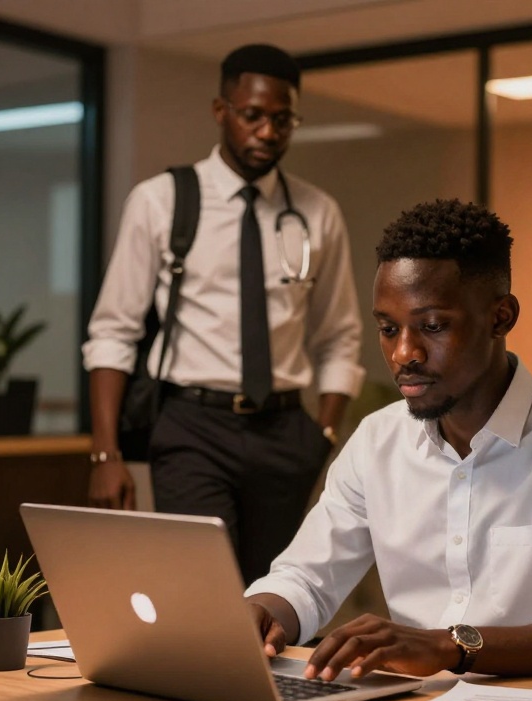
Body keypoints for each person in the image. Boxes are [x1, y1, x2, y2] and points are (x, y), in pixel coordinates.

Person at [243, 199, 532, 684]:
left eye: (433, 327)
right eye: (388, 329)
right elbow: (305, 578)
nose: (403, 353)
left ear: (500, 318)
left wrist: (449, 646)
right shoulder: (377, 440)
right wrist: (263, 611)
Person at [83, 44, 363, 585]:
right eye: (252, 115)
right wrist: (105, 455)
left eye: (282, 120)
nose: (267, 132)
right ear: (221, 111)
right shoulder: (161, 200)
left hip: (285, 432)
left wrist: (322, 435)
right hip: (192, 426)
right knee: (200, 588)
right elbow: (112, 332)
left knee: (280, 594)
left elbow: (340, 335)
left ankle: (272, 677)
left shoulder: (316, 212)